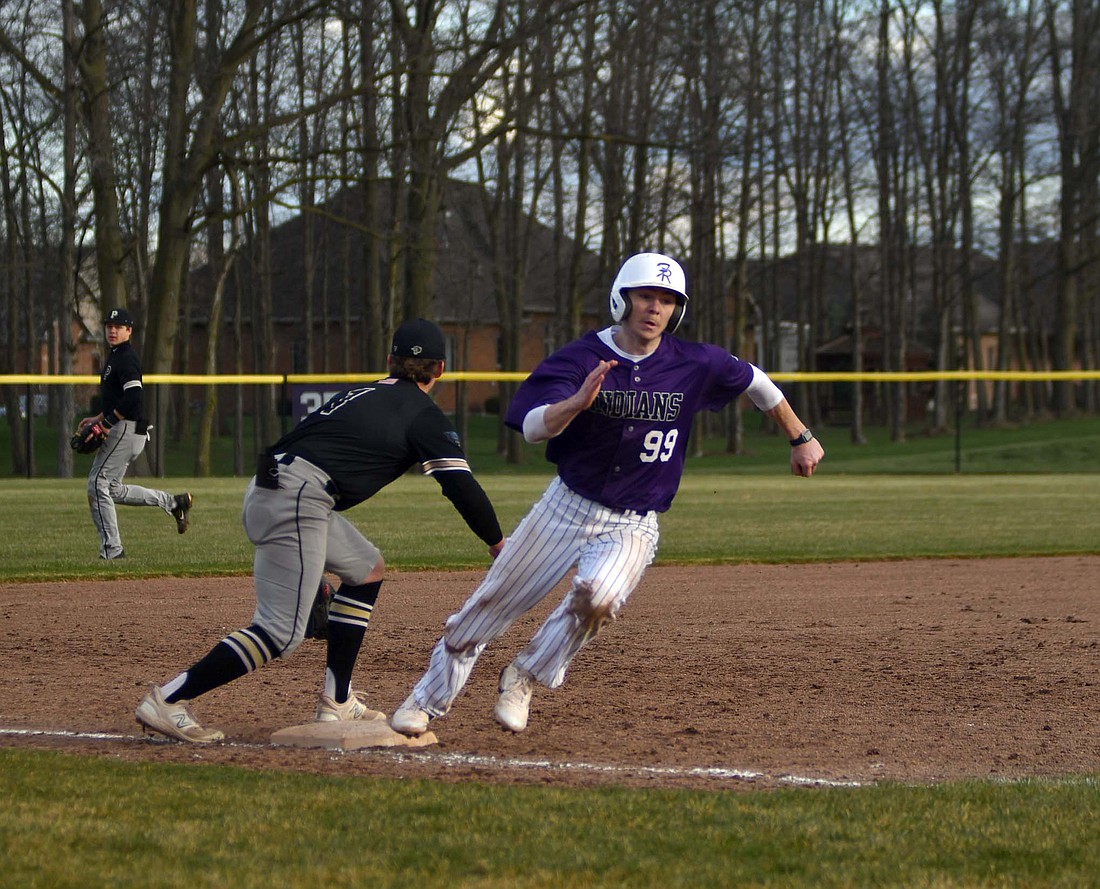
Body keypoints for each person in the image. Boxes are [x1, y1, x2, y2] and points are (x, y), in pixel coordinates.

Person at [391, 252, 824, 736]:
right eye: (645, 296)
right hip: (565, 507)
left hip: (634, 522)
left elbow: (758, 383)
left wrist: (800, 436)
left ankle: (525, 675)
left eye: (666, 300)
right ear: (622, 298)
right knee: (488, 610)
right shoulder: (579, 359)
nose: (654, 308)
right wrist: (573, 404)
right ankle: (426, 701)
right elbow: (532, 428)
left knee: (599, 598)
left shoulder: (694, 362)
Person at [135, 318, 505, 743]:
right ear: (440, 369)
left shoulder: (360, 393)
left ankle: (338, 701)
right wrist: (498, 543)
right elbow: (461, 487)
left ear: (389, 362)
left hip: (277, 488)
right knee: (279, 632)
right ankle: (167, 700)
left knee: (366, 568)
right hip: (298, 498)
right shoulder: (425, 416)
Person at [77, 307, 192, 560]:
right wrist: (99, 418)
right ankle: (174, 503)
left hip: (125, 428)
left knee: (97, 485)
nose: (112, 330)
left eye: (118, 326)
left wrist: (107, 424)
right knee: (113, 490)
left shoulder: (126, 358)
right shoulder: (116, 356)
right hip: (127, 427)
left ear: (129, 330)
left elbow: (134, 397)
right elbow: (119, 396)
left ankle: (112, 550)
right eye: (109, 326)